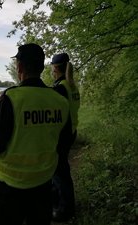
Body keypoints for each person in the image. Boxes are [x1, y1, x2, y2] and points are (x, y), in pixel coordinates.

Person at [0, 43, 72, 225]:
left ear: (19, 67)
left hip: (9, 186)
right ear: (41, 67)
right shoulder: (59, 100)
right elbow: (65, 142)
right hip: (44, 183)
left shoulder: (11, 98)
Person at [50, 53, 80, 222]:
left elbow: (56, 115)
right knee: (61, 169)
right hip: (72, 130)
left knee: (59, 172)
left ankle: (65, 210)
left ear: (55, 68)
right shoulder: (72, 85)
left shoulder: (60, 87)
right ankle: (59, 203)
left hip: (63, 134)